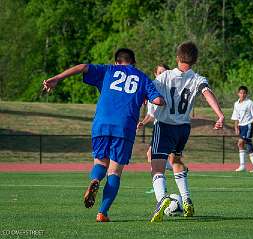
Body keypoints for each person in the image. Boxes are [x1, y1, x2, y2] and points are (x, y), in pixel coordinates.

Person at [42, 48, 164, 222]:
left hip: (101, 124)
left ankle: (95, 179)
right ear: (133, 62)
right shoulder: (142, 77)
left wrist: (57, 78)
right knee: (114, 172)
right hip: (124, 127)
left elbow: (83, 67)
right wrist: (152, 97)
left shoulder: (108, 70)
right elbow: (158, 100)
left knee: (100, 162)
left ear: (117, 62)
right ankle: (102, 212)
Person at [148, 41, 224, 222]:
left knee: (156, 166)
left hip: (165, 125)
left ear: (177, 57)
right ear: (195, 60)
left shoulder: (164, 76)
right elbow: (207, 93)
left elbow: (149, 91)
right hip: (183, 129)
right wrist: (219, 115)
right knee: (176, 160)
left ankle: (161, 200)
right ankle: (187, 199)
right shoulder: (197, 78)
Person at [137, 64, 173, 194]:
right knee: (150, 155)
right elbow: (150, 115)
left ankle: (160, 183)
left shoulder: (167, 90)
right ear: (155, 74)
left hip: (166, 126)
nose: (162, 75)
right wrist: (143, 122)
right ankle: (159, 182)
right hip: (158, 127)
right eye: (160, 72)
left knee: (153, 156)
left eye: (165, 72)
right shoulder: (153, 89)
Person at [231, 86, 253, 172]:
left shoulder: (250, 103)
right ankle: (243, 166)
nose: (242, 94)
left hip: (248, 125)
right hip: (241, 126)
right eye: (241, 93)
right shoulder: (236, 104)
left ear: (246, 94)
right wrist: (236, 127)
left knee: (243, 143)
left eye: (244, 93)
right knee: (242, 144)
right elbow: (236, 116)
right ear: (238, 94)